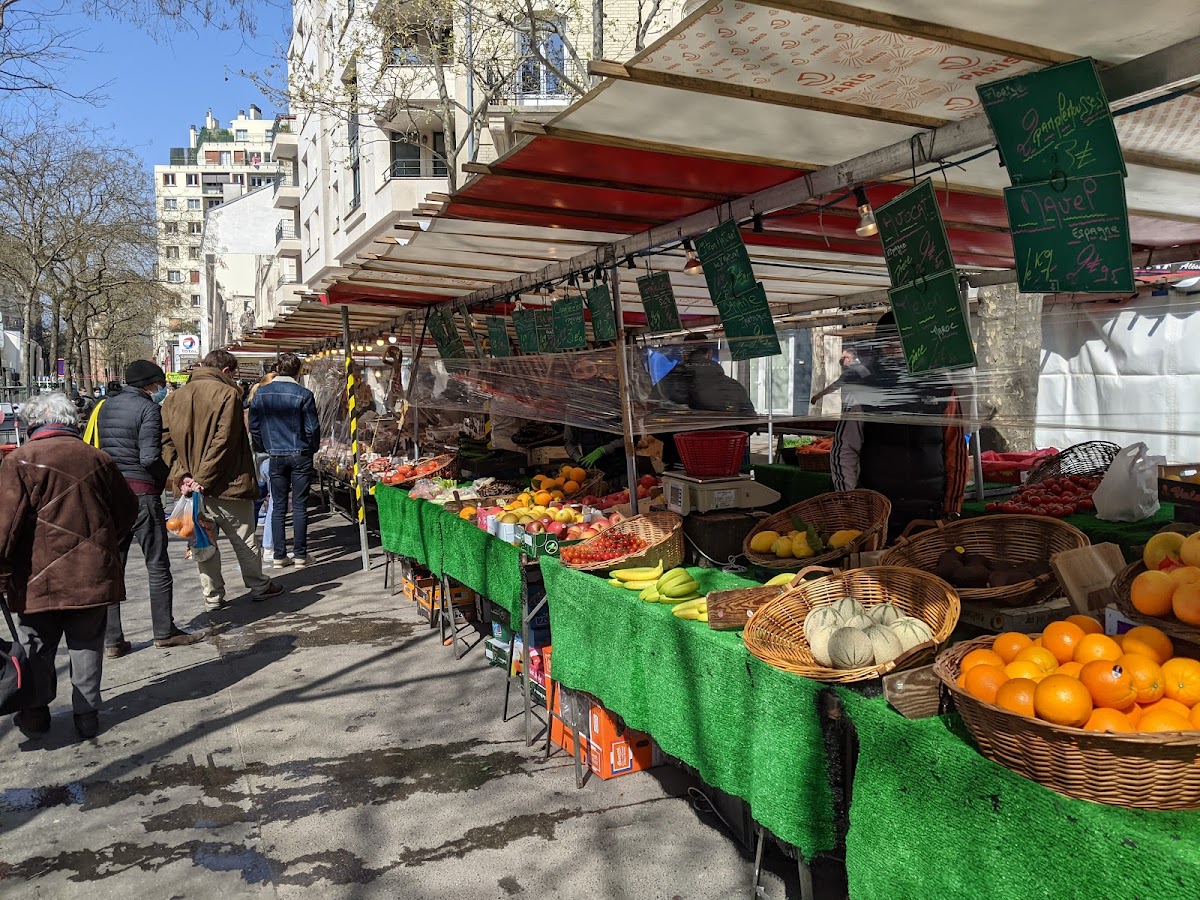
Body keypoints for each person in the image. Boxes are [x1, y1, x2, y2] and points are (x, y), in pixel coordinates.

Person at [0, 393, 137, 740]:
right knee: (87, 643)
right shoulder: (98, 458)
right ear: (69, 421)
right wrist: (102, 547)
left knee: (36, 645)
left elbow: (4, 527)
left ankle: (34, 714)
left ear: (32, 423)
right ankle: (86, 716)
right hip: (90, 574)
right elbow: (127, 511)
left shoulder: (19, 461)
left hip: (35, 577)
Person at [96, 360, 204, 656]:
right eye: (160, 385)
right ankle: (164, 631)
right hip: (142, 495)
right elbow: (148, 457)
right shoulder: (148, 410)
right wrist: (171, 477)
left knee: (112, 567)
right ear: (150, 385)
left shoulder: (107, 406)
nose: (162, 390)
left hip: (111, 495)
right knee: (157, 564)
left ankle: (112, 640)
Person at [162, 349, 283, 610]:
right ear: (226, 371)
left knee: (203, 542)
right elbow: (224, 441)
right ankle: (259, 585)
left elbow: (166, 442)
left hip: (191, 488)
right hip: (228, 484)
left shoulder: (174, 398)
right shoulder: (228, 394)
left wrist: (183, 475)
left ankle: (212, 595)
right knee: (243, 539)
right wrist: (200, 478)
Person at [831, 312, 969, 539]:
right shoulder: (865, 391)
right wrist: (850, 502)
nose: (894, 345)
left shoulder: (942, 390)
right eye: (887, 339)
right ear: (878, 344)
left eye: (902, 338)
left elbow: (957, 451)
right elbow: (845, 449)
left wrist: (952, 507)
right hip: (878, 512)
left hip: (929, 513)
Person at [249, 353, 320, 568]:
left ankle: (279, 555)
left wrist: (265, 447)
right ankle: (300, 555)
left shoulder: (261, 394)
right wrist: (311, 449)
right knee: (299, 505)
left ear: (278, 369)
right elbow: (312, 428)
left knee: (278, 505)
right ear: (298, 372)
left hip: (276, 455)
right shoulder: (303, 394)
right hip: (300, 454)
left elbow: (254, 427)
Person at [653, 334, 757, 469]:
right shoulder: (732, 386)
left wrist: (679, 439)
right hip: (723, 462)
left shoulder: (666, 385)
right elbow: (750, 423)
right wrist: (724, 437)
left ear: (683, 354)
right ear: (709, 353)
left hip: (680, 462)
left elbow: (653, 422)